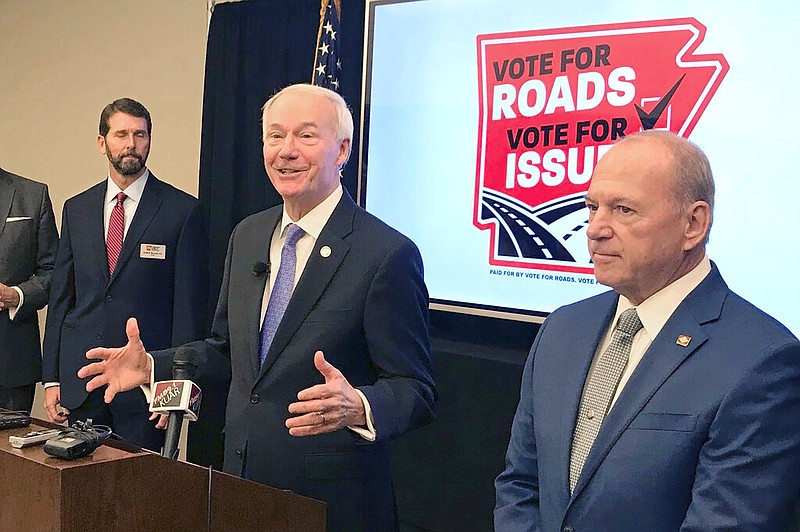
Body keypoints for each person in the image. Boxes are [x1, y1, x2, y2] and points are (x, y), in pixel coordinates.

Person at [77, 84, 436, 531]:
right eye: (274, 136)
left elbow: (415, 389)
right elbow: (229, 350)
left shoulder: (385, 253)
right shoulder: (248, 235)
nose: (286, 151)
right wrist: (155, 364)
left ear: (342, 149)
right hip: (241, 488)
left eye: (306, 136)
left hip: (330, 502)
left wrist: (359, 404)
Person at [494, 130, 800, 531]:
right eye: (592, 207)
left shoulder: (762, 361)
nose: (595, 228)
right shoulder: (562, 329)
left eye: (623, 209)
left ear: (693, 224)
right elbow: (521, 483)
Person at [42, 98, 209, 451]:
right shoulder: (77, 208)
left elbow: (188, 311)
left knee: (143, 495)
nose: (131, 144)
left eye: (140, 134)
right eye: (121, 134)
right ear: (102, 142)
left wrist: (173, 386)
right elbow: (61, 299)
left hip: (145, 389)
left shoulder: (182, 211)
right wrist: (52, 378)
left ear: (150, 141)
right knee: (81, 494)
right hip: (83, 381)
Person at [0, 168, 58, 413]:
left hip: (11, 360)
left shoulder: (33, 194)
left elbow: (55, 271)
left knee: (11, 450)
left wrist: (17, 295)